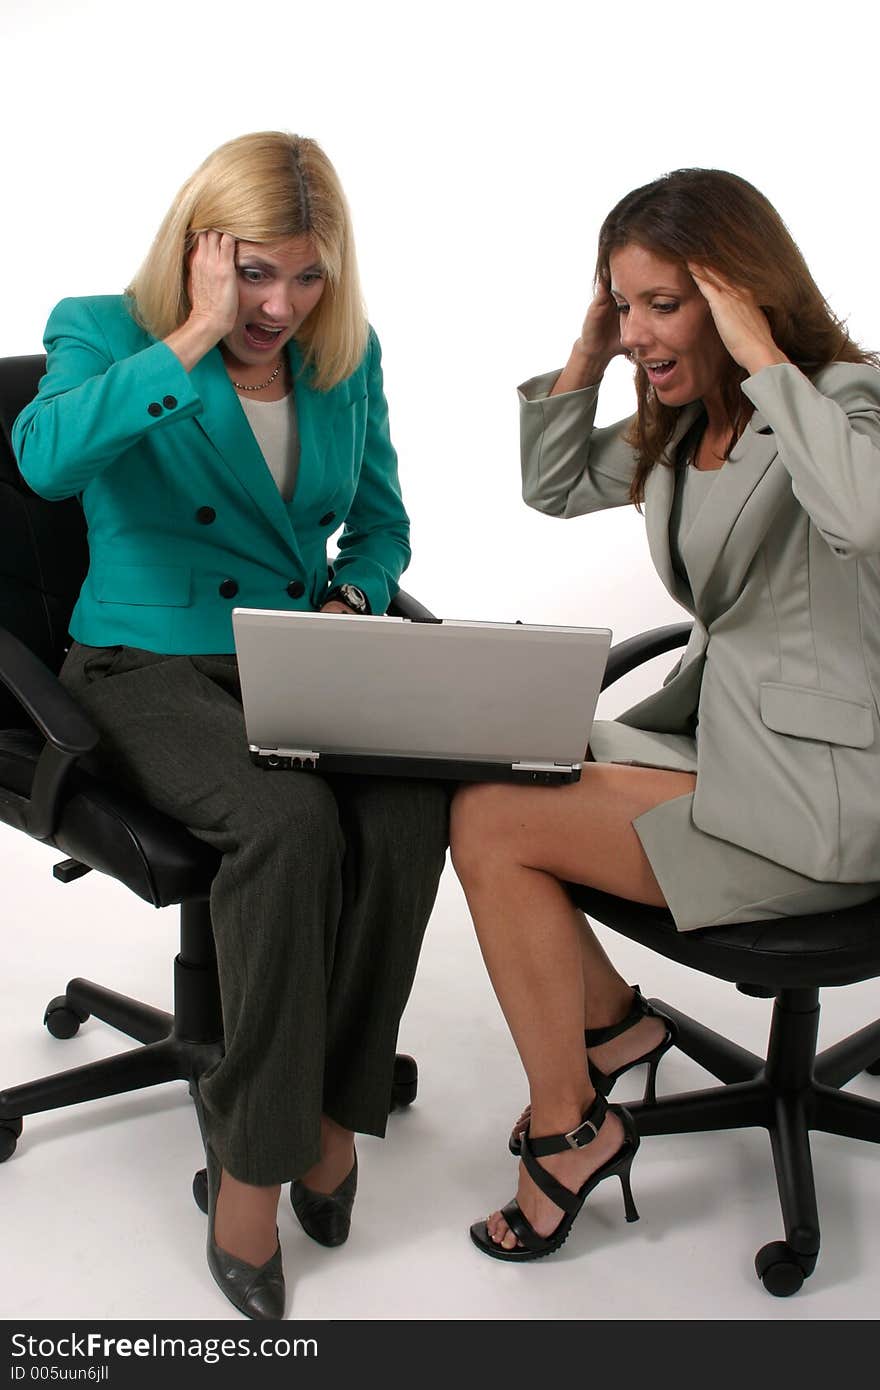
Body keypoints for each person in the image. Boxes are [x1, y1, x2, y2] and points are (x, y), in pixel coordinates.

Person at [13, 131, 449, 1318]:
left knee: (413, 804)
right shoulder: (104, 329)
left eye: (306, 276)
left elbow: (381, 524)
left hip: (295, 654)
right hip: (141, 658)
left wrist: (359, 594)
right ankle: (250, 1171)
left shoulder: (342, 356)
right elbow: (43, 462)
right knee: (287, 823)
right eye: (256, 272)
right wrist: (192, 337)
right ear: (203, 250)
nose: (280, 304)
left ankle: (327, 1107)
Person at [450, 168, 880, 1263]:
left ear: (737, 293)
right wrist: (591, 353)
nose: (641, 330)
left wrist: (767, 361)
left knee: (495, 819)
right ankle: (614, 1029)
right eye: (623, 300)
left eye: (663, 303)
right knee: (491, 757)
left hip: (820, 795)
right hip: (722, 743)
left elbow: (864, 519)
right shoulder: (683, 426)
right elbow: (550, 489)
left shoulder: (842, 401)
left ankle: (570, 1129)